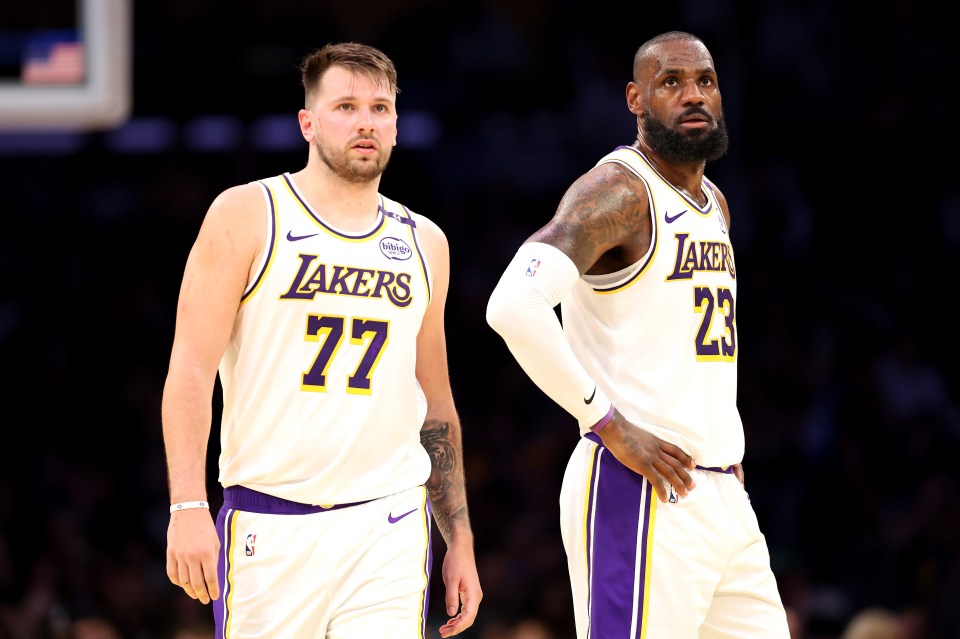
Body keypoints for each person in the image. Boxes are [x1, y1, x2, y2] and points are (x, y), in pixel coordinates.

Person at [162, 42, 482, 638]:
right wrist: (187, 506)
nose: (365, 122)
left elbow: (435, 405)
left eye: (380, 108)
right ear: (307, 123)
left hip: (386, 525)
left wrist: (458, 538)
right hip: (269, 521)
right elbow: (189, 371)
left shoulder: (425, 242)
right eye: (346, 106)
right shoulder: (247, 213)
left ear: (395, 126)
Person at [486, 31, 790, 638]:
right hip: (640, 487)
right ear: (636, 99)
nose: (693, 95)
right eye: (671, 82)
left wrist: (719, 452)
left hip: (722, 491)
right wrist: (607, 423)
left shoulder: (715, 204)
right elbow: (511, 304)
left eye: (705, 80)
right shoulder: (619, 191)